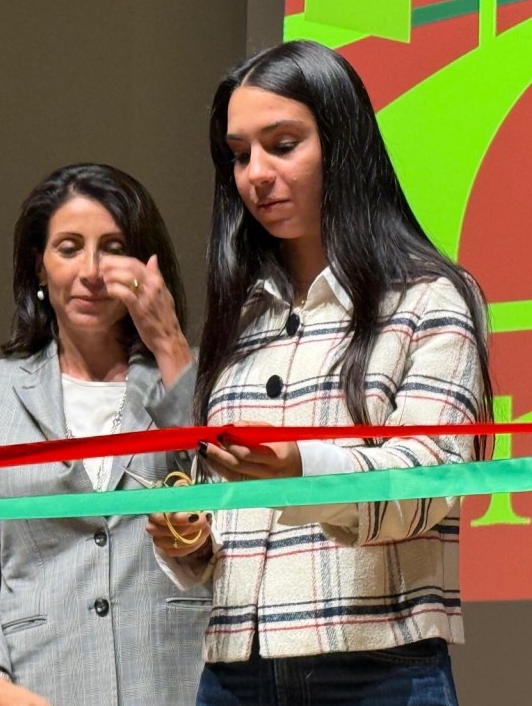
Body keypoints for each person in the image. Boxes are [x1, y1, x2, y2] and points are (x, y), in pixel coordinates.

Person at [147, 40, 493, 705]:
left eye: (283, 144)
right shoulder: (241, 316)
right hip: (234, 671)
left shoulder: (430, 296)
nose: (256, 173)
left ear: (343, 143)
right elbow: (224, 516)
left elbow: (432, 481)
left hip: (377, 667)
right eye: (239, 154)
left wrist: (302, 466)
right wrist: (190, 534)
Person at [0, 163, 210, 706]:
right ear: (39, 265)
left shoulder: (202, 376)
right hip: (39, 685)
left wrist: (171, 346)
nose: (92, 270)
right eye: (69, 247)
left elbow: (233, 505)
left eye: (113, 246)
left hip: (180, 683)